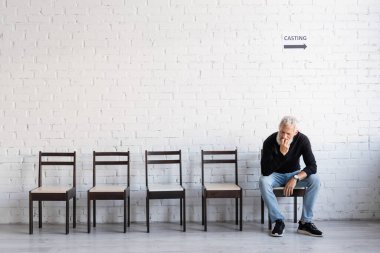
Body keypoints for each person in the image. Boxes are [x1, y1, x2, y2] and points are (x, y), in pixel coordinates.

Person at [259, 116, 323, 237]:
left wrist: (296, 178)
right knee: (263, 181)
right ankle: (278, 221)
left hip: (294, 174)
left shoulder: (302, 140)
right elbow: (265, 171)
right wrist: (282, 154)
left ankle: (305, 223)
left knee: (315, 179)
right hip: (275, 175)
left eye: (288, 134)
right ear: (279, 129)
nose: (284, 136)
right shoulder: (269, 141)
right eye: (282, 132)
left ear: (295, 132)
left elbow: (312, 166)